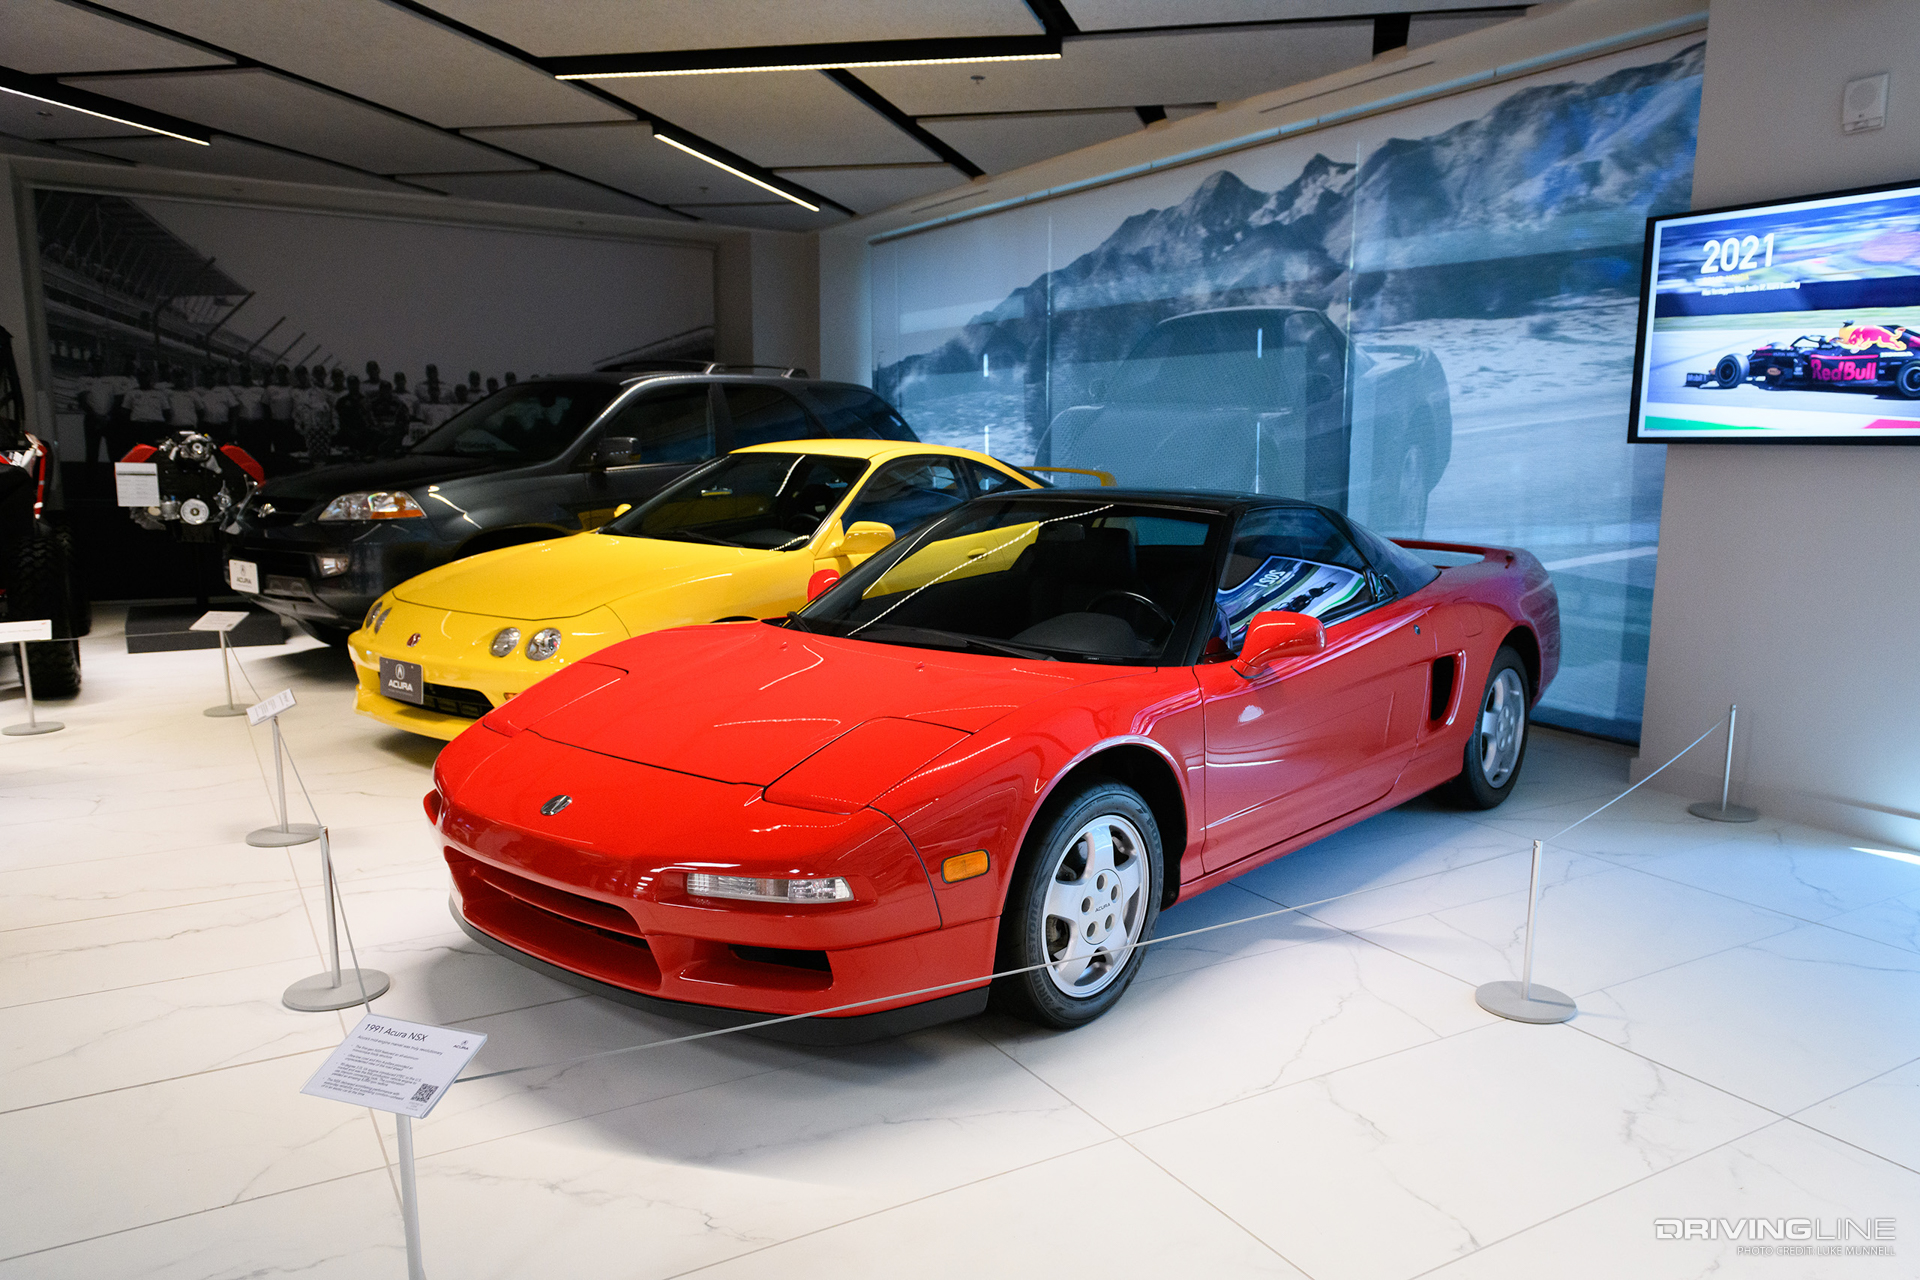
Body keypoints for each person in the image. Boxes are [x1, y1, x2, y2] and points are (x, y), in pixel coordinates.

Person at [123, 368, 170, 450]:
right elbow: (125, 410)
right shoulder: (132, 393)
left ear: (150, 378)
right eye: (141, 376)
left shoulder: (159, 393)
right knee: (139, 451)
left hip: (155, 426)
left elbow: (166, 411)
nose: (143, 379)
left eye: (145, 376)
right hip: (138, 426)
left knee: (155, 450)